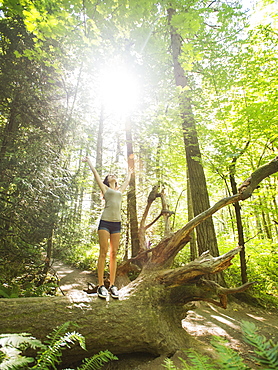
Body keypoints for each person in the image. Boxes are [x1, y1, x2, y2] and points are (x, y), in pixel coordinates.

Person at [82, 156, 132, 299]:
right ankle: (100, 285)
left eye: (113, 175)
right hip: (105, 222)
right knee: (103, 252)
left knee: (114, 254)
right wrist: (90, 162)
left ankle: (112, 285)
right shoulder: (104, 189)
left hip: (117, 223)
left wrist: (129, 172)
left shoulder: (119, 190)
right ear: (107, 181)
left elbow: (127, 182)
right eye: (109, 176)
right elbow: (95, 174)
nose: (112, 176)